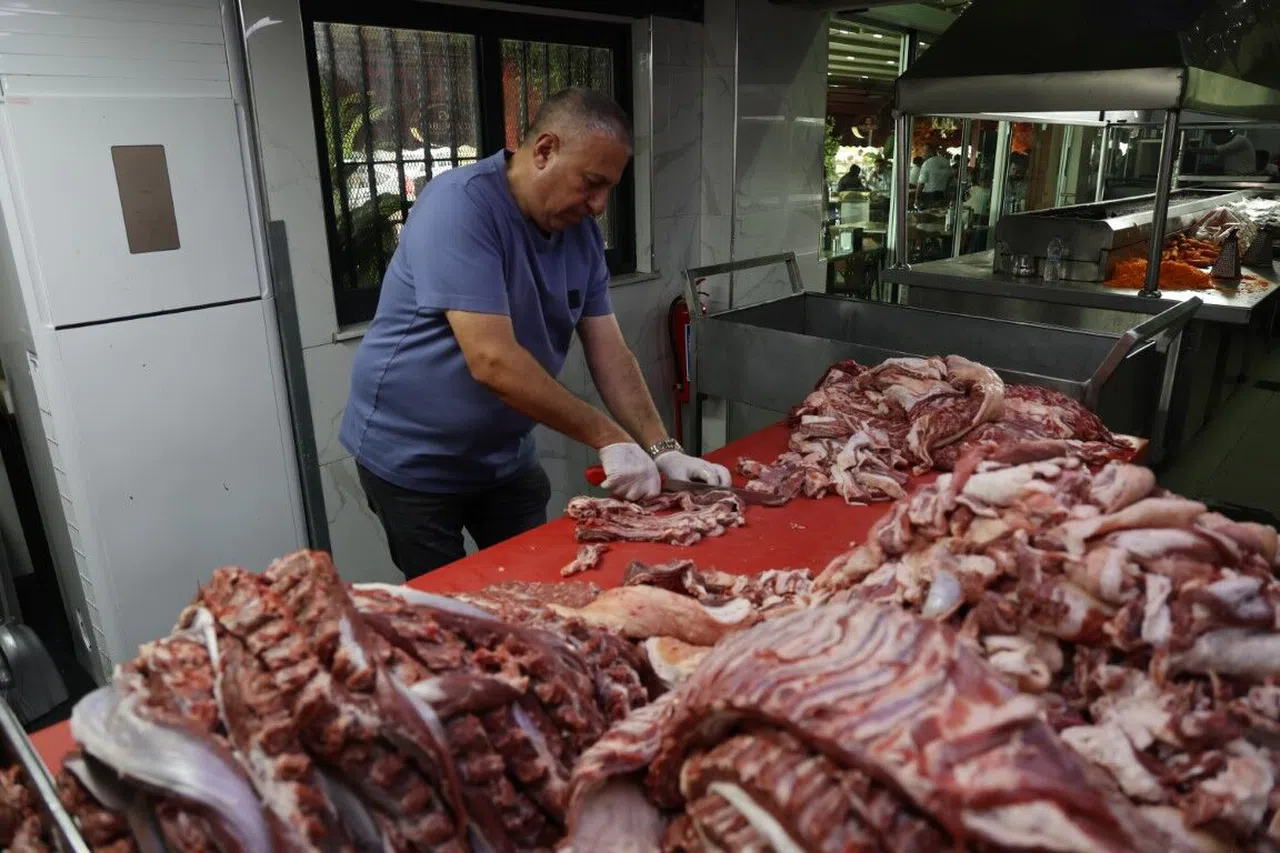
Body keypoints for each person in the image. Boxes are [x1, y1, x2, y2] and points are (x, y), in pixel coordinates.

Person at [339, 88, 730, 578]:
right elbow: (492, 360)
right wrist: (608, 437)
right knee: (452, 607)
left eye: (609, 188)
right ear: (545, 150)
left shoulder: (581, 236)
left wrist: (662, 449)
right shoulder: (461, 208)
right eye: (591, 183)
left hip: (504, 457)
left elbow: (610, 352)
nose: (600, 205)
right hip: (413, 461)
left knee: (535, 583)